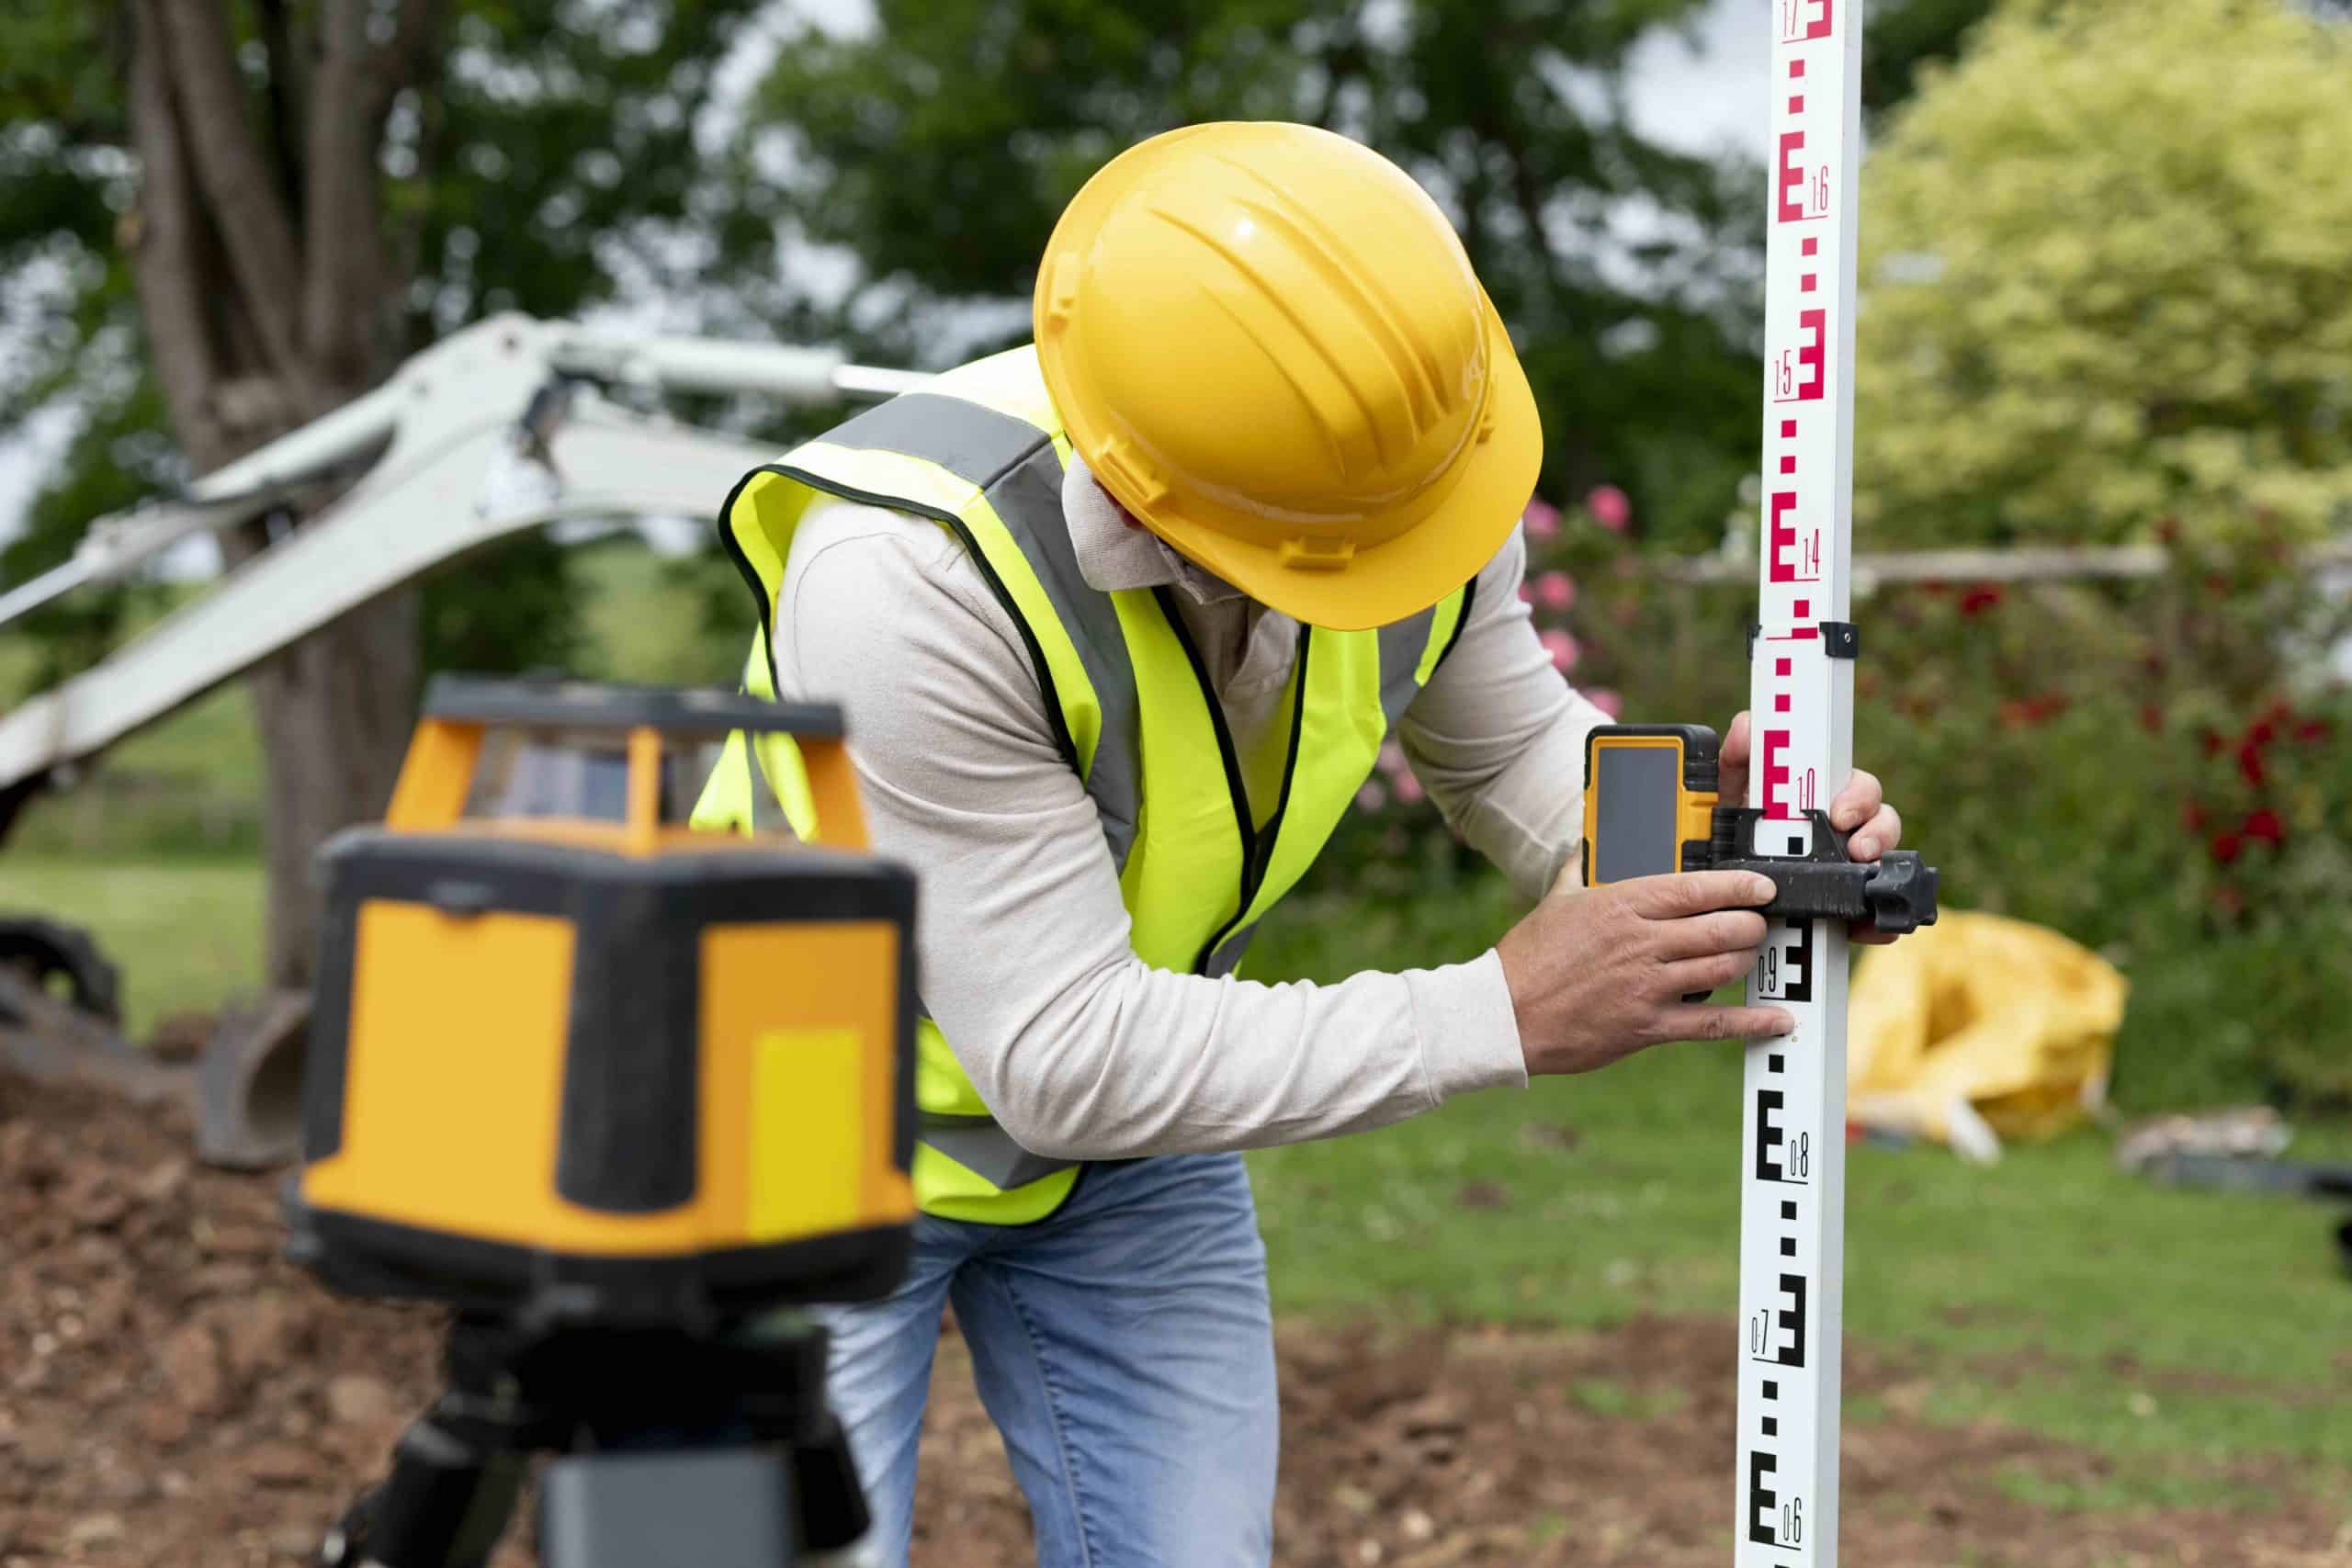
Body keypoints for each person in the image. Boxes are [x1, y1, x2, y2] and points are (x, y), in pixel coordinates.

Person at [696, 121, 1904, 1567]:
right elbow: (1062, 1055)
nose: (1417, 550)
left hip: (1129, 1147)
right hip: (790, 1143)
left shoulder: (1401, 462)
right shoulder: (907, 582)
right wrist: (1498, 1013)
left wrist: (1715, 832)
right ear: (1161, 513)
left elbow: (1511, 747)